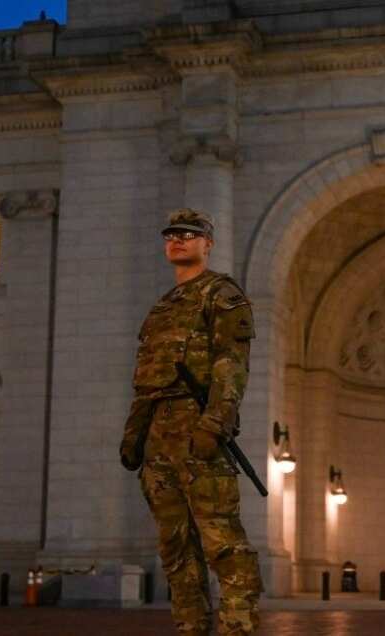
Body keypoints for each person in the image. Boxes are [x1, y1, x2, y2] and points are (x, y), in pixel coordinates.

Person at [120, 208, 262, 635]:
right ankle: (191, 628)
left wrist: (215, 424)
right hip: (157, 439)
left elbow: (231, 365)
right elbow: (145, 380)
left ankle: (238, 628)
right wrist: (134, 435)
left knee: (224, 545)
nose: (178, 240)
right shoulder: (162, 308)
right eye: (171, 235)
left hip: (198, 430)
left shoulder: (222, 294)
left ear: (207, 243)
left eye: (188, 234)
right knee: (175, 549)